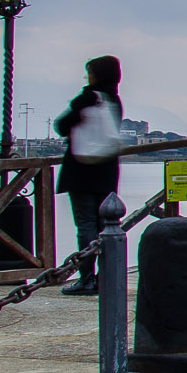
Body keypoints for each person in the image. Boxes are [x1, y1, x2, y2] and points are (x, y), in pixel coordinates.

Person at [53, 56, 124, 295]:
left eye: (90, 73)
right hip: (107, 169)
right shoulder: (114, 100)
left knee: (85, 225)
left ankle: (86, 279)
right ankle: (108, 277)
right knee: (107, 225)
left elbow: (62, 125)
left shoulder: (88, 98)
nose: (87, 77)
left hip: (81, 170)